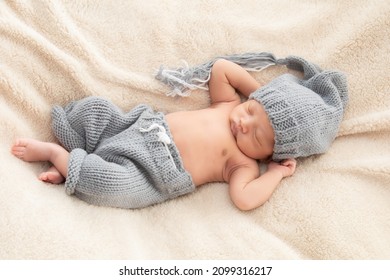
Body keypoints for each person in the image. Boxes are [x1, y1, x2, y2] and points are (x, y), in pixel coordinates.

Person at [11, 54, 348, 211]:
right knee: (96, 111)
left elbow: (244, 199)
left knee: (113, 186)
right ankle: (75, 157)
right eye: (251, 111)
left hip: (154, 174)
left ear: (271, 152)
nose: (243, 123)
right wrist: (261, 94)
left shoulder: (242, 164)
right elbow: (222, 69)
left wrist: (275, 175)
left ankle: (61, 158)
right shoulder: (229, 105)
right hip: (139, 127)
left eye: (257, 136)